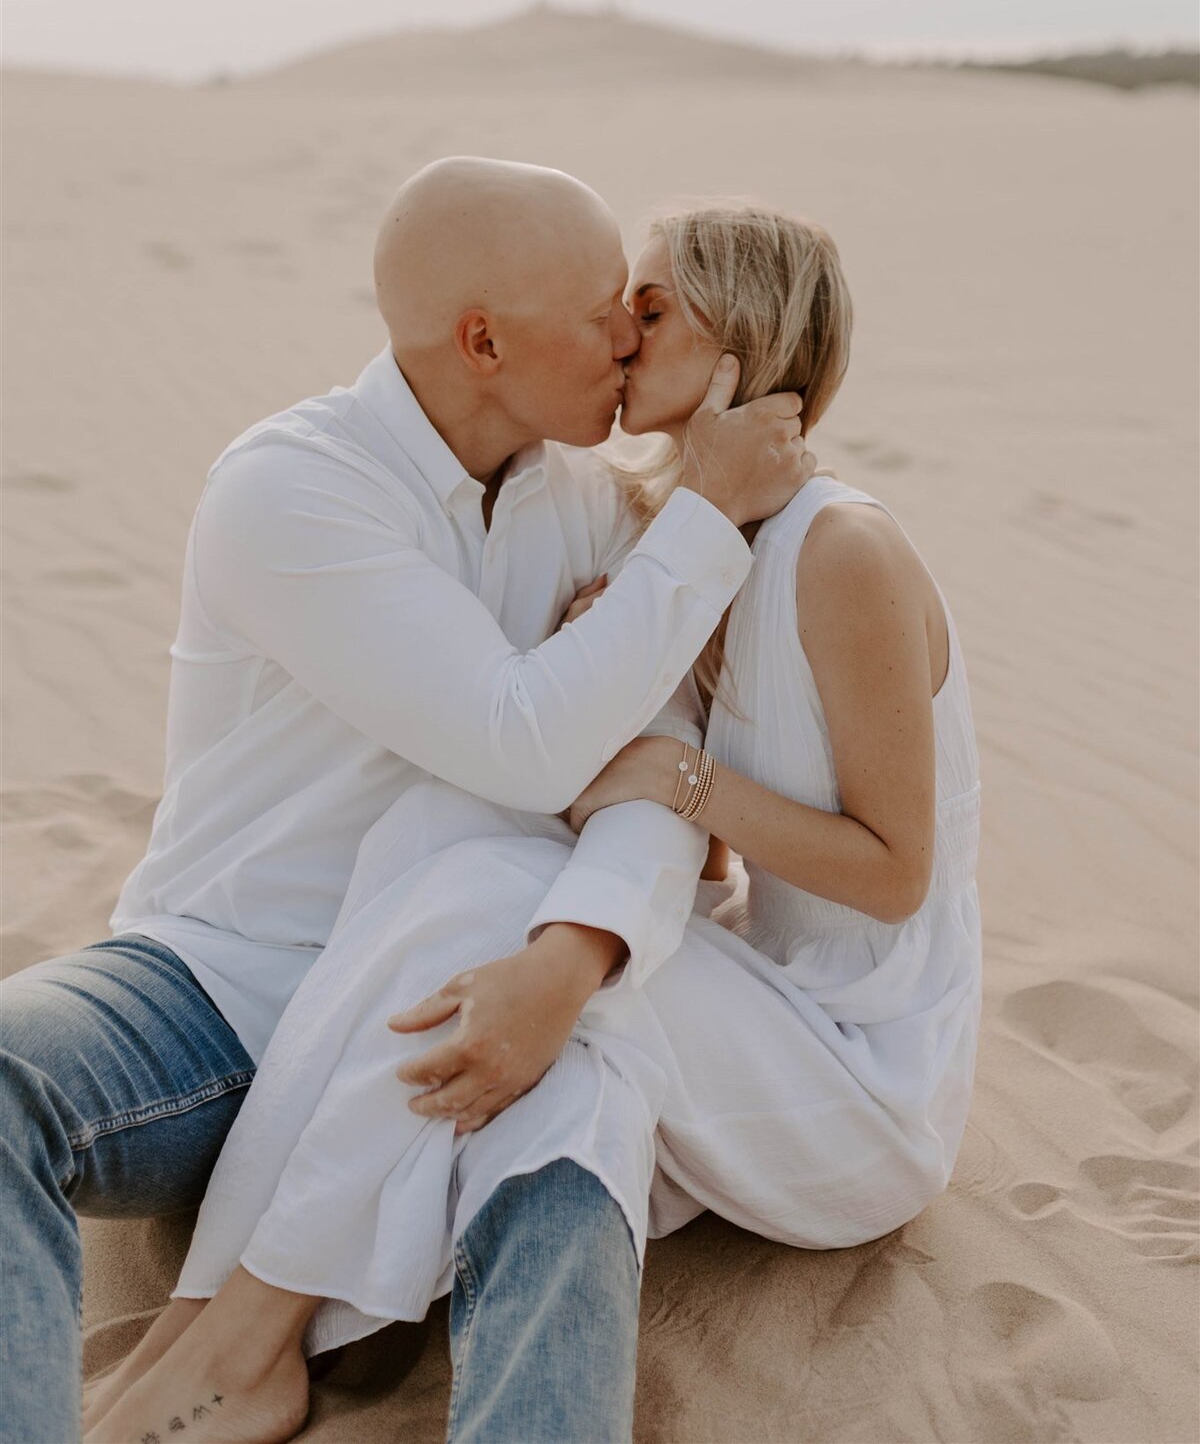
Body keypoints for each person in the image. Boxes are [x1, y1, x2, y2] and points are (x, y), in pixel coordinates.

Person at [81, 204, 981, 1444]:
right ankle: (240, 1335)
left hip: (859, 1075)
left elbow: (894, 874)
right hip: (758, 1011)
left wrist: (677, 776)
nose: (621, 332)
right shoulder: (682, 541)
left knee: (472, 898)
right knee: (473, 922)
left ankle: (241, 1327)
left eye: (651, 308)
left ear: (741, 346)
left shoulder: (844, 551)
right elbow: (691, 841)